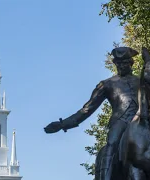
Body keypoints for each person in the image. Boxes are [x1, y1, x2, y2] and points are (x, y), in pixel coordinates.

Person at [44, 47, 140, 180]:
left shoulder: (143, 82)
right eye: (118, 63)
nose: (121, 66)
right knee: (112, 144)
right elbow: (87, 109)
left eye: (124, 63)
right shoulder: (107, 84)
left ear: (131, 63)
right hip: (121, 121)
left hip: (142, 120)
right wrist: (63, 124)